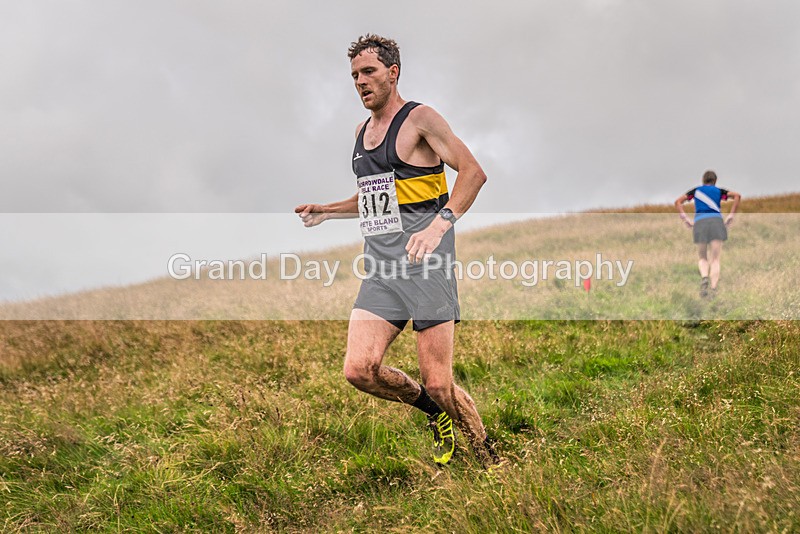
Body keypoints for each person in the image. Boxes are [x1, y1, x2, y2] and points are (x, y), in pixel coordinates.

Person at [295, 34, 498, 467]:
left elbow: (474, 174)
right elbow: (375, 199)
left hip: (428, 267)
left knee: (441, 383)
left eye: (368, 72)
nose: (360, 82)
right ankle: (432, 415)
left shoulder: (419, 119)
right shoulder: (360, 134)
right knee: (358, 370)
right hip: (382, 271)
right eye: (353, 76)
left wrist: (439, 225)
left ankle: (488, 461)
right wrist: (327, 211)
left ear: (393, 72)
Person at [674, 170, 741, 298]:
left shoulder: (695, 191)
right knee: (715, 259)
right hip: (716, 222)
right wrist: (731, 215)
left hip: (700, 222)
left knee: (702, 257)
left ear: (703, 181)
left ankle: (704, 278)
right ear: (715, 181)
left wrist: (686, 219)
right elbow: (737, 196)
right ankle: (714, 289)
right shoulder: (719, 191)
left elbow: (678, 202)